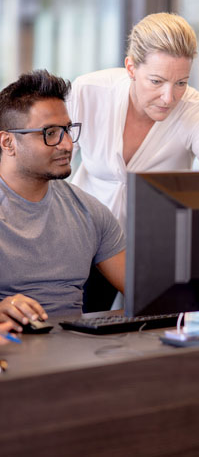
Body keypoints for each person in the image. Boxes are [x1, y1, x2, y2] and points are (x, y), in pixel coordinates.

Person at [67, 12, 199, 231]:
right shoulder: (87, 92)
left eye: (181, 83)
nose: (169, 97)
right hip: (83, 236)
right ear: (131, 68)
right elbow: (48, 165)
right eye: (157, 81)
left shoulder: (195, 110)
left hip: (155, 246)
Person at [0, 70, 126, 330]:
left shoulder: (90, 211)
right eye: (50, 133)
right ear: (8, 142)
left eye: (67, 130)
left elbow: (152, 294)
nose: (67, 144)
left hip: (78, 355)